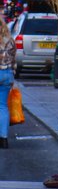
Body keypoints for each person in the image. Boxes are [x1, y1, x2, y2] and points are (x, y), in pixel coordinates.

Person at [0, 15, 16, 148]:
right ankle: (4, 138)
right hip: (7, 74)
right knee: (3, 106)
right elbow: (14, 60)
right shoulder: (10, 41)